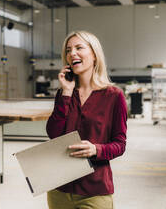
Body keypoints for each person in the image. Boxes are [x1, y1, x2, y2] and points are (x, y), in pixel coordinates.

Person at [46, 31, 127, 209]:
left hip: (94, 190)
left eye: (79, 48)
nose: (72, 53)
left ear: (95, 55)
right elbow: (54, 134)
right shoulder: (64, 93)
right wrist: (66, 92)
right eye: (68, 50)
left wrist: (95, 149)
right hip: (60, 188)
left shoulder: (114, 96)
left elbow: (120, 144)